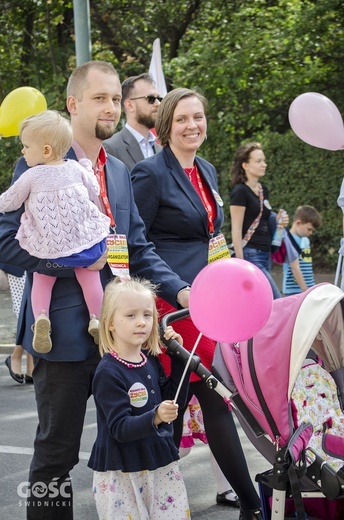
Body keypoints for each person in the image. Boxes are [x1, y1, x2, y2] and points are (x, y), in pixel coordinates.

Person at [0, 60, 190, 520]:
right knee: (55, 456)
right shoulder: (39, 162)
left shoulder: (121, 172)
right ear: (72, 105)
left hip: (123, 341)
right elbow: (6, 242)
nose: (111, 108)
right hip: (63, 336)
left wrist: (182, 292)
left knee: (133, 447)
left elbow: (138, 247)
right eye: (99, 98)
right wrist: (70, 261)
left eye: (113, 99)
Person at [131, 87, 263, 520]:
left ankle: (246, 503)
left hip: (206, 301)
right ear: (166, 126)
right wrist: (177, 290)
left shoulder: (205, 169)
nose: (193, 126)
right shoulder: (149, 174)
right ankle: (241, 502)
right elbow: (137, 246)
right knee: (193, 397)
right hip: (173, 307)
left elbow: (212, 239)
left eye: (199, 117)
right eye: (183, 119)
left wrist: (232, 284)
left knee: (197, 398)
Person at [0, 110, 112, 352]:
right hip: (82, 240)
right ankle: (97, 318)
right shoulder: (76, 169)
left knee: (42, 279)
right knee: (90, 277)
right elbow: (94, 191)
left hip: (48, 244)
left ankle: (42, 318)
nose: (23, 151)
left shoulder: (31, 175)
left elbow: (10, 202)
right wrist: (85, 168)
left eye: (26, 146)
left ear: (46, 150)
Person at [88, 277, 190, 519]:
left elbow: (173, 400)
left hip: (158, 461)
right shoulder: (108, 372)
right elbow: (120, 428)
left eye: (147, 315)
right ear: (110, 323)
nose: (141, 322)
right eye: (131, 315)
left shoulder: (150, 359)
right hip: (122, 470)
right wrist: (155, 416)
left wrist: (179, 359)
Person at [229, 141, 289, 299]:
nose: (264, 164)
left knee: (260, 301)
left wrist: (279, 219)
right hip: (250, 254)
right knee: (275, 299)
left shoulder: (263, 190)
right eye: (258, 161)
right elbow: (236, 228)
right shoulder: (240, 192)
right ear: (245, 165)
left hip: (265, 252)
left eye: (264, 160)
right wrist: (241, 263)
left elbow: (263, 219)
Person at [103, 73, 162, 170]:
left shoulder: (160, 150)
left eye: (159, 99)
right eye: (151, 99)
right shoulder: (111, 148)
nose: (158, 104)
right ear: (130, 105)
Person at [1, 263, 34, 384]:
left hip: (36, 260)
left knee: (35, 312)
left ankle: (31, 368)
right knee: (26, 313)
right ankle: (16, 356)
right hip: (19, 265)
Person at [282, 205, 322, 295]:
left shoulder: (305, 239)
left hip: (308, 287)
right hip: (294, 289)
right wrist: (305, 289)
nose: (310, 233)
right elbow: (295, 267)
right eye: (309, 229)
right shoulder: (288, 239)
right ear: (298, 223)